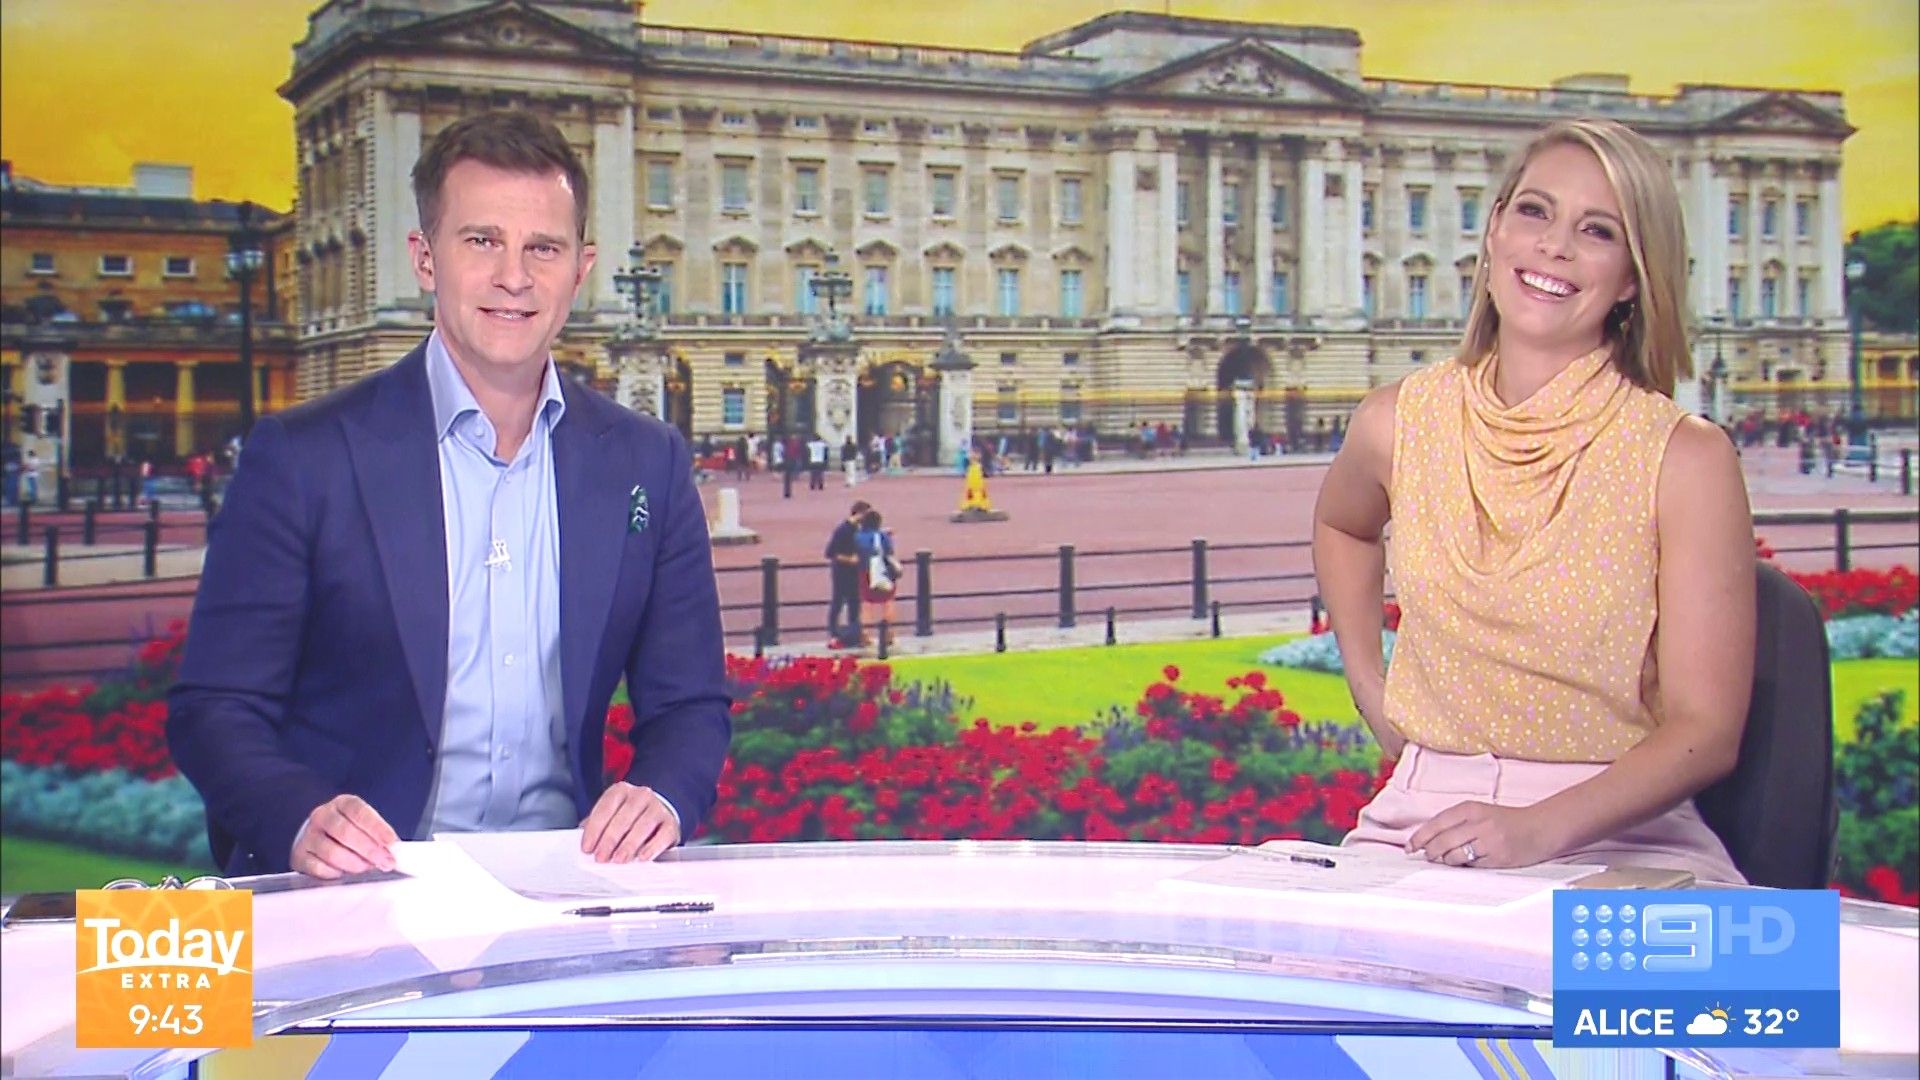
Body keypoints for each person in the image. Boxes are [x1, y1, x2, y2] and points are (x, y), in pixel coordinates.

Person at [167, 111, 731, 878]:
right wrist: (299, 817)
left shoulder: (647, 461)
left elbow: (689, 704)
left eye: (543, 248)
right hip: (360, 890)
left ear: (581, 268)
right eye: (482, 242)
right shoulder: (303, 457)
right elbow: (215, 706)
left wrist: (661, 795)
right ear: (425, 259)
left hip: (565, 886)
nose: (514, 278)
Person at [1312, 119, 1752, 884]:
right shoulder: (1396, 421)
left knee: (1768, 968)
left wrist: (1535, 830)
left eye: (1598, 230)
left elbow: (1707, 731)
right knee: (1300, 964)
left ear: (1632, 278)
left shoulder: (1687, 458)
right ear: (1494, 233)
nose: (1554, 246)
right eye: (1535, 212)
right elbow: (1342, 526)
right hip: (1423, 823)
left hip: (1628, 832)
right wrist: (1369, 685)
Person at [825, 500, 870, 647]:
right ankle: (834, 632)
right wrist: (849, 559)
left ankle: (853, 634)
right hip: (841, 572)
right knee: (838, 601)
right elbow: (830, 552)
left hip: (854, 572)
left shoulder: (859, 529)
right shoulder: (843, 530)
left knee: (854, 603)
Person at [856, 508, 901, 646]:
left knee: (866, 603)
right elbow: (889, 553)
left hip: (864, 572)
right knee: (888, 602)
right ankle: (889, 634)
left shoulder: (858, 537)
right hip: (883, 572)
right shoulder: (883, 536)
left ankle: (865, 634)